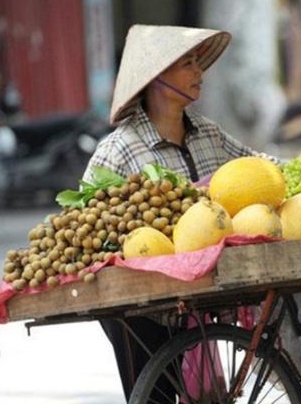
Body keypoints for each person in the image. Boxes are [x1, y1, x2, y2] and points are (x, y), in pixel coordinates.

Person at [82, 24, 271, 402]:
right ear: (157, 78)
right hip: (140, 307)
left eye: (198, 63)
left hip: (199, 296)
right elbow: (88, 227)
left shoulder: (208, 133)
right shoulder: (119, 150)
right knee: (156, 395)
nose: (199, 73)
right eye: (187, 63)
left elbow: (260, 167)